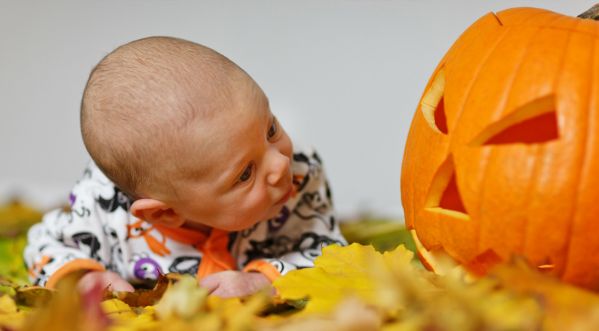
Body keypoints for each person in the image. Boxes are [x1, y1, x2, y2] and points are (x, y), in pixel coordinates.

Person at [24, 36, 346, 298]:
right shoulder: (102, 209)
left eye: (270, 129)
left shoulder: (301, 175)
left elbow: (329, 253)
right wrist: (83, 278)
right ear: (164, 213)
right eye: (245, 174)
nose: (279, 164)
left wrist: (261, 282)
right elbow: (44, 246)